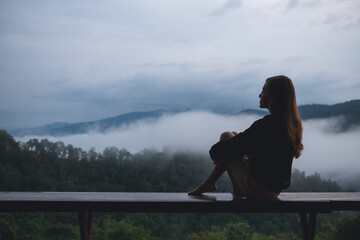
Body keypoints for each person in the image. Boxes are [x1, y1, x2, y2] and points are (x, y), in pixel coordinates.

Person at [188, 75, 303, 200]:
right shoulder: (290, 125)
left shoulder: (267, 125)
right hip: (274, 191)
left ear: (274, 96)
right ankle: (210, 182)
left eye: (264, 91)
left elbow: (232, 147)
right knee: (233, 136)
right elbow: (245, 143)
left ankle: (214, 183)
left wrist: (214, 152)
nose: (260, 95)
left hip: (258, 190)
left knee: (226, 136)